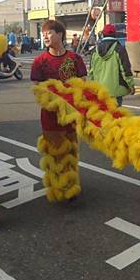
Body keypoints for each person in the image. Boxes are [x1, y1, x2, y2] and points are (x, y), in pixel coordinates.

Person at [31, 19, 87, 202]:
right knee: (55, 152)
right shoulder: (40, 61)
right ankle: (56, 185)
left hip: (71, 114)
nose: (45, 36)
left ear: (60, 34)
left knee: (70, 150)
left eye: (49, 32)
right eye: (43, 33)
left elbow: (83, 85)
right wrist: (53, 101)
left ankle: (70, 184)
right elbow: (38, 89)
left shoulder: (74, 59)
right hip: (50, 116)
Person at [89, 24, 135, 106]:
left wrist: (92, 89)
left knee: (104, 116)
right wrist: (131, 85)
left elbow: (91, 72)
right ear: (115, 34)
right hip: (115, 91)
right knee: (116, 116)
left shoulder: (95, 51)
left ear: (102, 34)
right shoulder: (119, 49)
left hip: (99, 91)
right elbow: (125, 69)